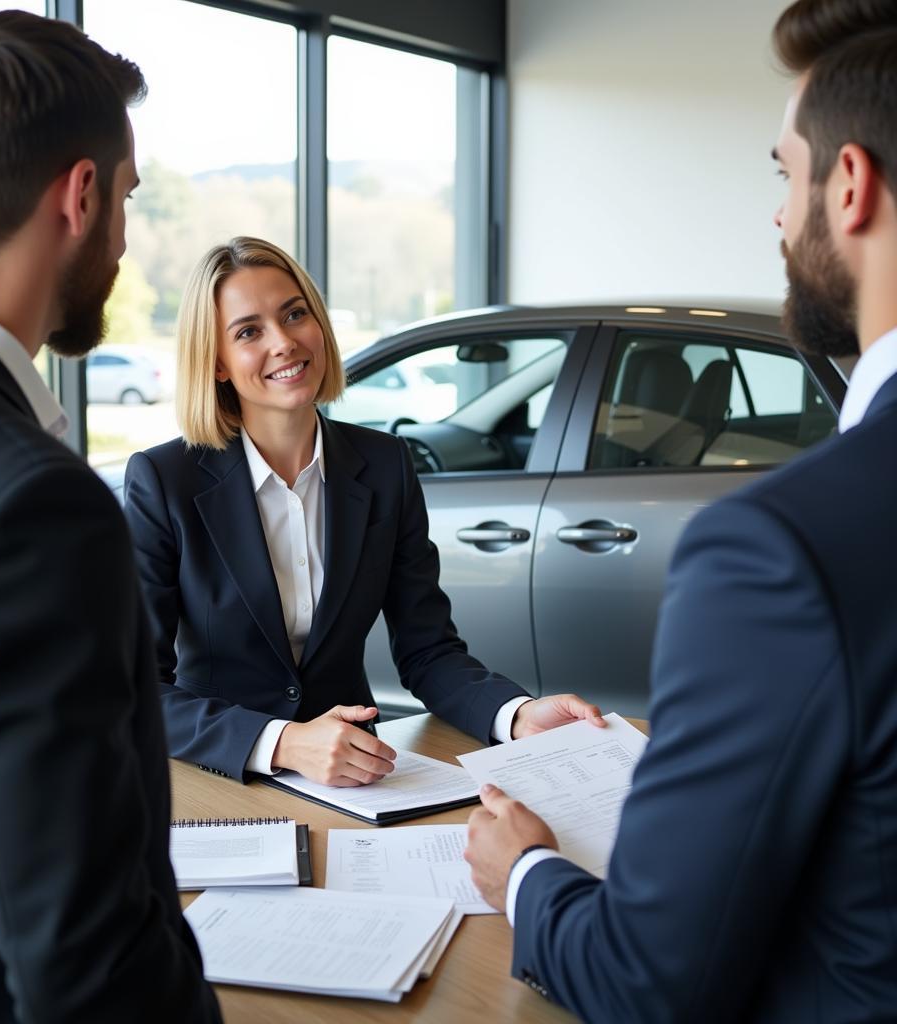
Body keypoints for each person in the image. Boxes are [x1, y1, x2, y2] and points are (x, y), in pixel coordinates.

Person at [464, 1, 897, 1020]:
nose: (779, 216)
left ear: (848, 185)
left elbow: (651, 982)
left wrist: (526, 872)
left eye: (782, 175)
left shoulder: (778, 545)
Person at [0, 13, 220, 1023]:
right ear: (81, 195)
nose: (123, 235)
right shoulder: (36, 505)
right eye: (127, 200)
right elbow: (84, 967)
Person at [123, 236, 605, 785]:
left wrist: (515, 716)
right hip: (223, 778)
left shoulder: (384, 465)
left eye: (294, 314)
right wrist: (283, 742)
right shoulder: (165, 480)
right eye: (249, 331)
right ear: (217, 363)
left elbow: (429, 651)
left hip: (359, 781)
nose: (283, 342)